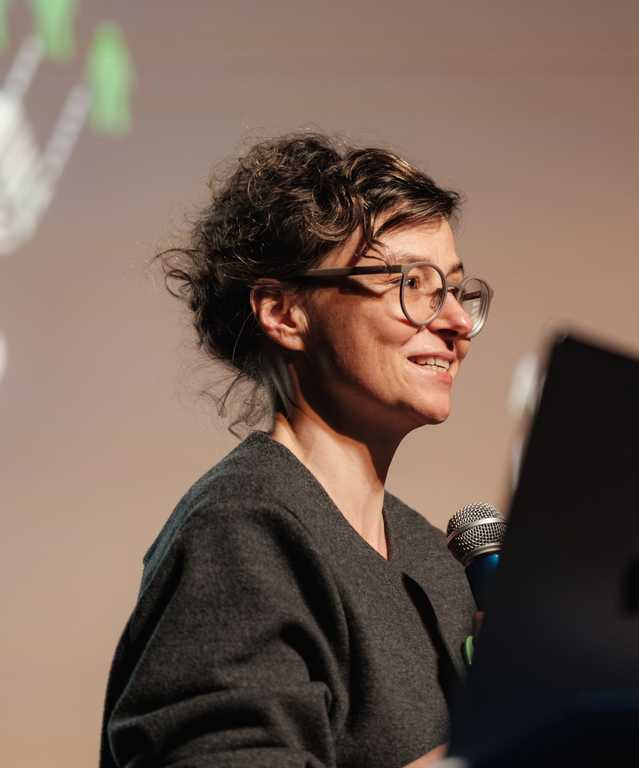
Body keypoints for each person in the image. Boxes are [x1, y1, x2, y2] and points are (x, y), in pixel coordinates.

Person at [99, 133, 494, 768]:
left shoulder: (435, 563)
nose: (454, 322)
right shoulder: (244, 531)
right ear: (284, 313)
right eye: (412, 284)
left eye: (454, 290)